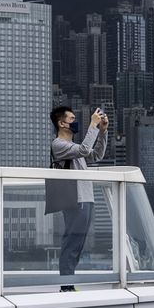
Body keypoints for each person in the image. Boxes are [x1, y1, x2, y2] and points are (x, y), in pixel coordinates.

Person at [47, 106, 108, 292]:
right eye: (72, 119)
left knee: (78, 244)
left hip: (86, 198)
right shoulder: (58, 145)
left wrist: (102, 131)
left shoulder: (73, 148)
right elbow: (84, 150)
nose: (76, 121)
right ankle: (66, 286)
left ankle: (69, 283)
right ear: (61, 123)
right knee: (71, 243)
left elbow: (96, 154)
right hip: (75, 199)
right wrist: (93, 125)